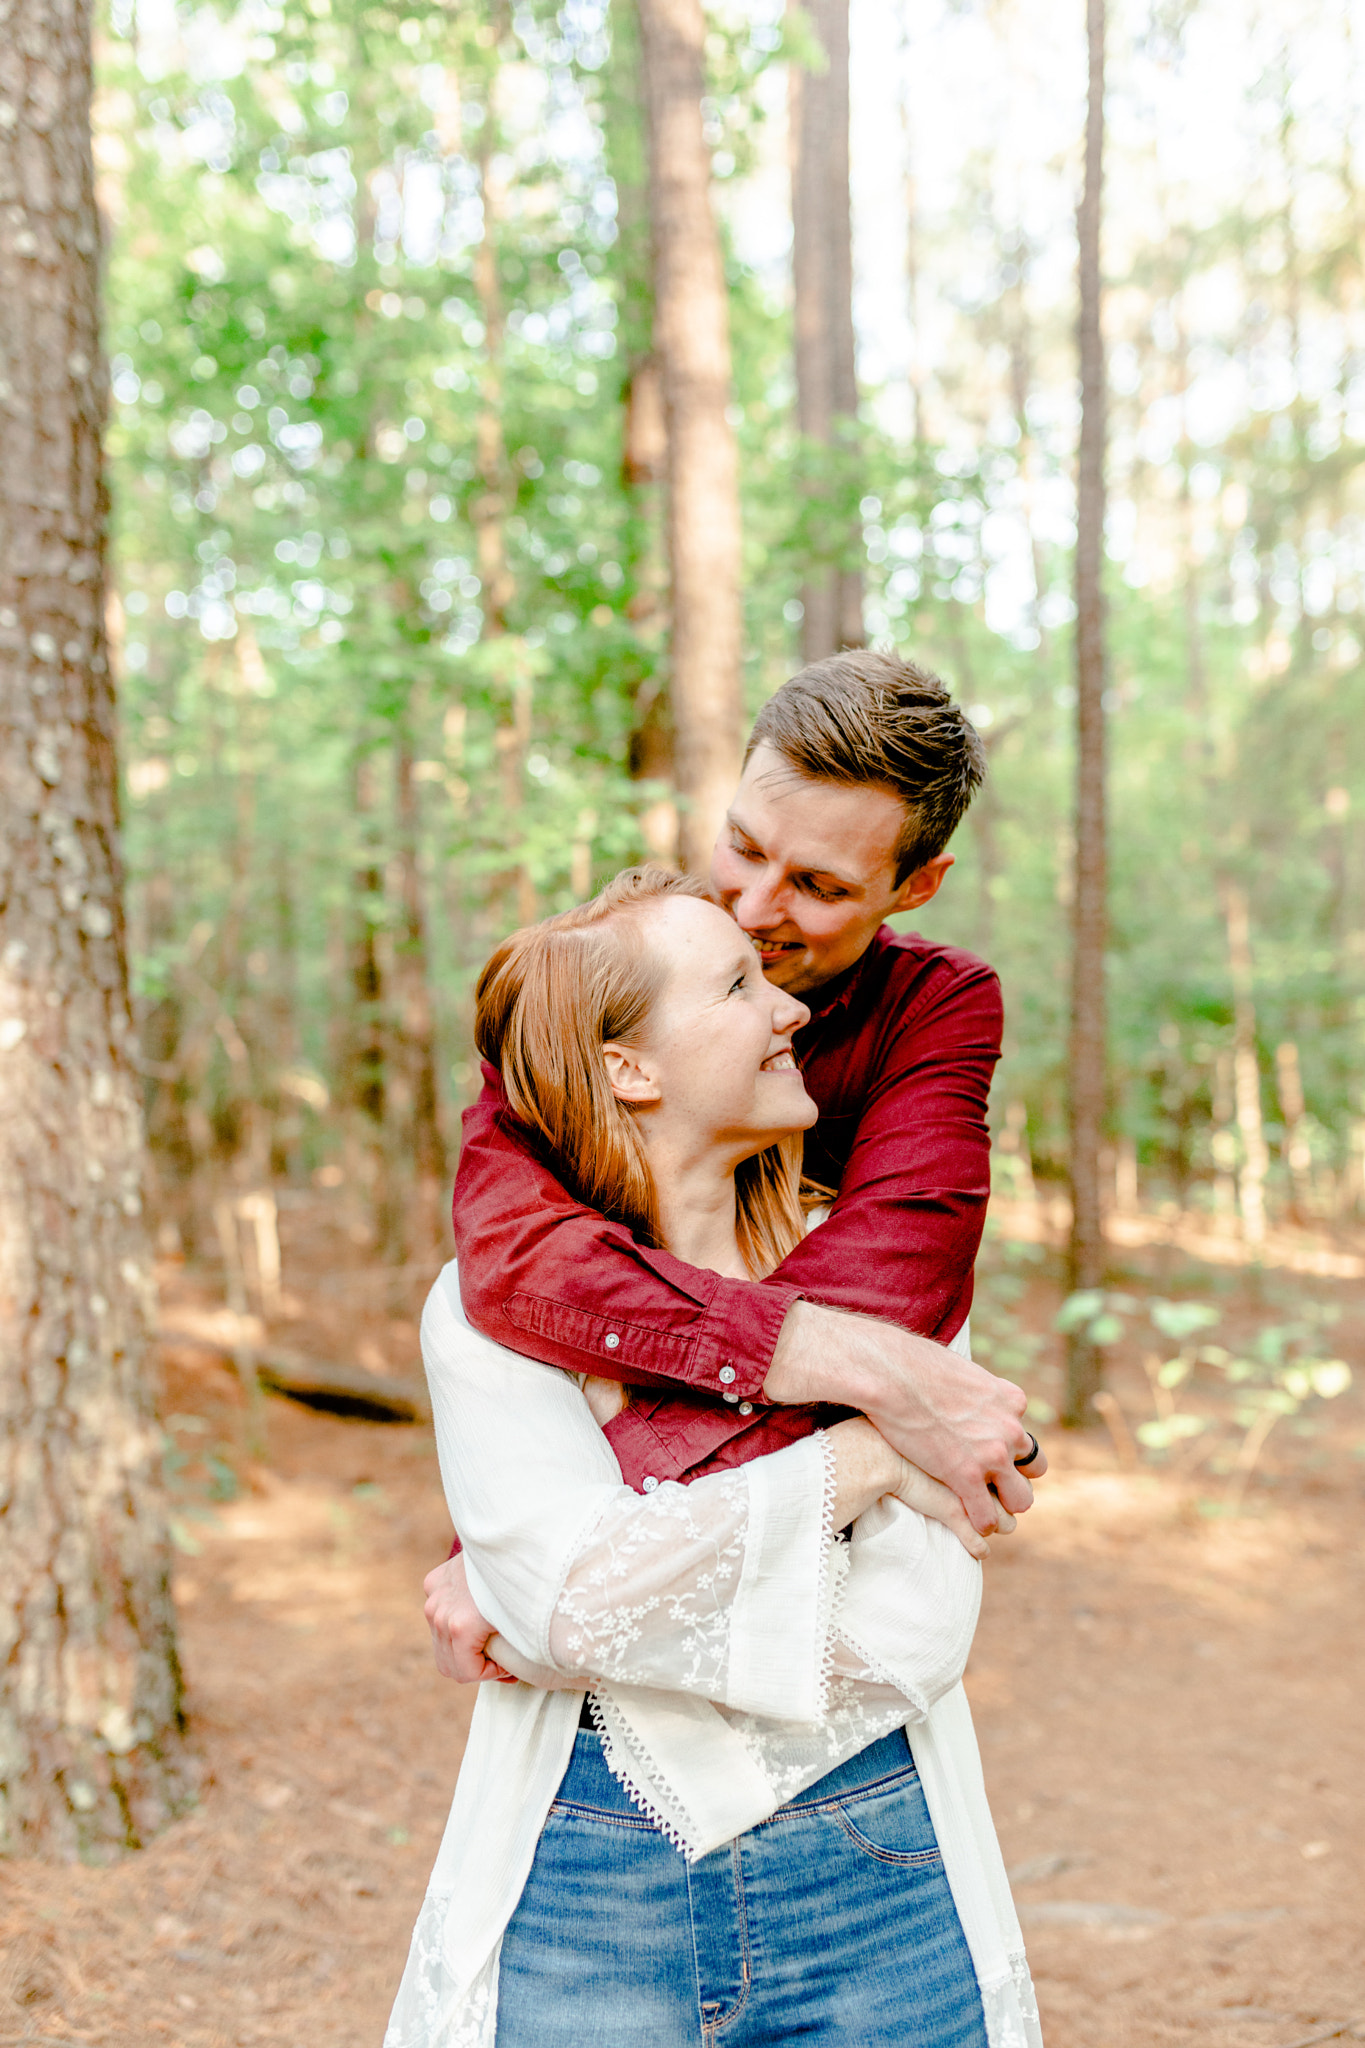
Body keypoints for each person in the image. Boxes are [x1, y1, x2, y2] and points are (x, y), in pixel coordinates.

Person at [385, 869, 1041, 2048]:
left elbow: (920, 1627)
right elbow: (575, 1604)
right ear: (629, 1067)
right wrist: (873, 1461)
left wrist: (599, 1601)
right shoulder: (483, 1311)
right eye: (737, 984)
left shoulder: (879, 1274)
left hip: (879, 1871)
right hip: (588, 1883)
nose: (790, 1006)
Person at [425, 651, 1042, 1675]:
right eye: (744, 845)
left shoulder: (937, 1008)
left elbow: (892, 1281)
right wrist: (520, 1540)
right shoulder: (602, 978)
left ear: (916, 885)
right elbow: (518, 1261)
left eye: (819, 885)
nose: (755, 905)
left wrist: (550, 1551)